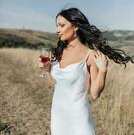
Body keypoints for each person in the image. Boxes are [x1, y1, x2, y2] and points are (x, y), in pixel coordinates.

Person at [38, 7, 133, 135]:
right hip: (58, 114)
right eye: (57, 26)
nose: (57, 30)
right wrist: (47, 70)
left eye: (61, 25)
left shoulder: (90, 56)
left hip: (78, 119)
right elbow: (57, 85)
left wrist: (103, 71)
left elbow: (94, 94)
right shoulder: (56, 53)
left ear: (75, 26)